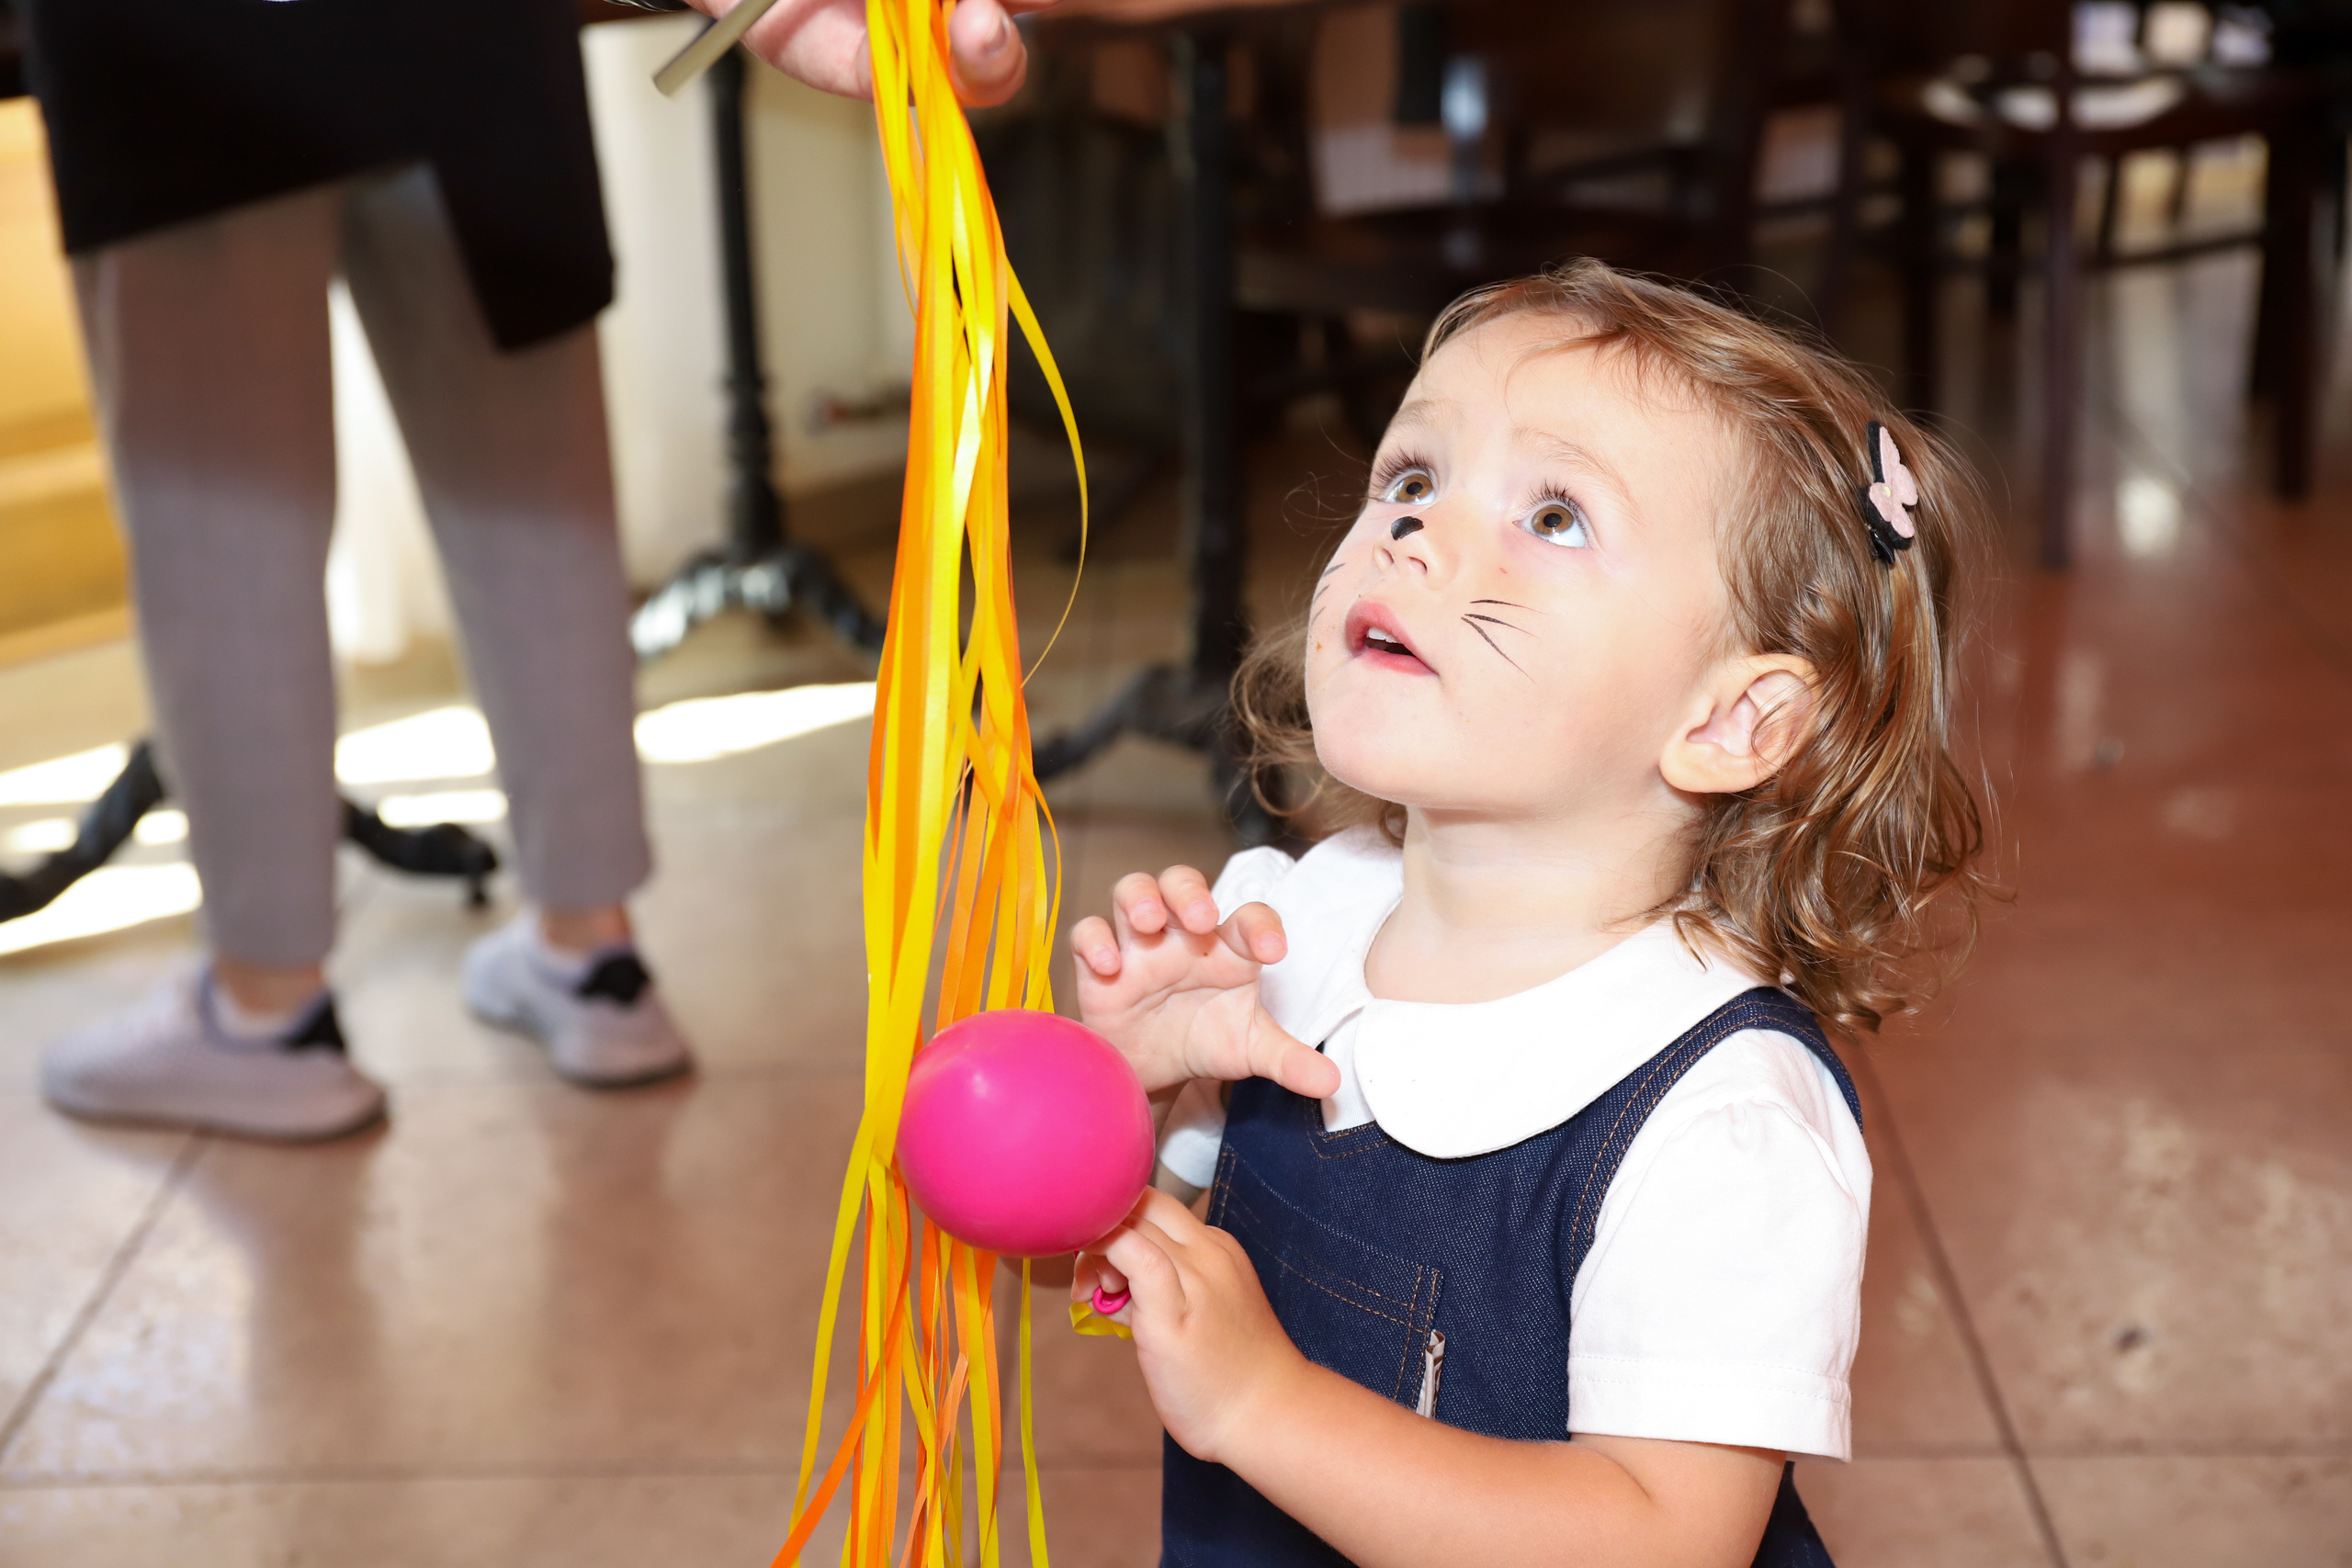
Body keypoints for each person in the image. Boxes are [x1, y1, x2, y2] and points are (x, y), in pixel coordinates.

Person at [1062, 261, 1994, 1566]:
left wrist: (1265, 1404)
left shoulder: (1716, 1121)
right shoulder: (1287, 929)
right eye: (1411, 478)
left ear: (1733, 719)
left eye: (1554, 515)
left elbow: (1664, 1538)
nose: (1415, 534)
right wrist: (1111, 1107)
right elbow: (1102, 1281)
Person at [28, 0, 1045, 1140]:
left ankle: (264, 1010)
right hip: (474, 48)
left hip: (193, 49)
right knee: (534, 492)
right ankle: (591, 951)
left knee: (226, 533)